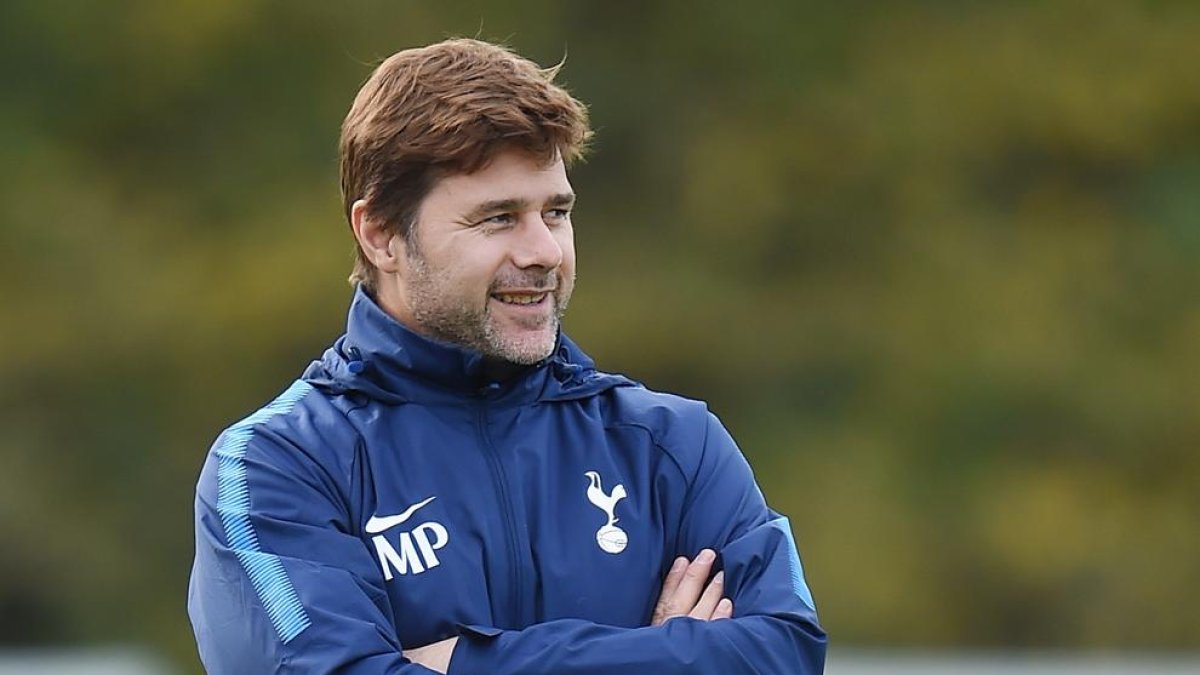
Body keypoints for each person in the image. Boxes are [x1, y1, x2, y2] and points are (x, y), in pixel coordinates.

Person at [188, 38, 826, 674]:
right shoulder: (277, 466)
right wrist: (669, 657)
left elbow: (786, 654)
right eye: (498, 218)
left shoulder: (673, 445)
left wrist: (460, 662)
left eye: (557, 212)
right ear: (380, 234)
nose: (544, 251)